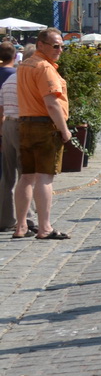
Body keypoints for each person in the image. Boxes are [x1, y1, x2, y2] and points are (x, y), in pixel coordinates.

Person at [14, 29, 74, 241]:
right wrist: (64, 130)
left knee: (26, 176)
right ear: (40, 45)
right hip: (44, 126)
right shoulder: (45, 68)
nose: (59, 50)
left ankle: (21, 225)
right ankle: (45, 227)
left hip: (26, 123)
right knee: (45, 177)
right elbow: (51, 102)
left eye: (61, 46)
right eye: (55, 46)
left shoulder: (24, 65)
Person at [0, 42, 25, 237]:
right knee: (25, 174)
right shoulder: (13, 77)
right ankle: (26, 220)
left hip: (5, 124)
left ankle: (6, 218)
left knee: (6, 176)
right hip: (17, 123)